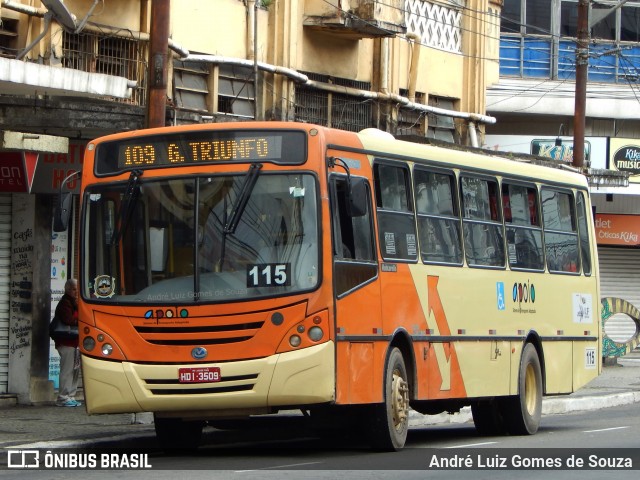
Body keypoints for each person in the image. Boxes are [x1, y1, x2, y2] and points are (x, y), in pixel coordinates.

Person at [53, 278, 82, 407]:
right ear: (68, 289)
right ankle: (63, 397)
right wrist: (81, 320)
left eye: (77, 289)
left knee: (75, 370)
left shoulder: (75, 302)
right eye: (74, 289)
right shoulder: (65, 303)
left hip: (75, 343)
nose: (76, 292)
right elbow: (68, 320)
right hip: (67, 342)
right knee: (67, 370)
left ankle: (71, 395)